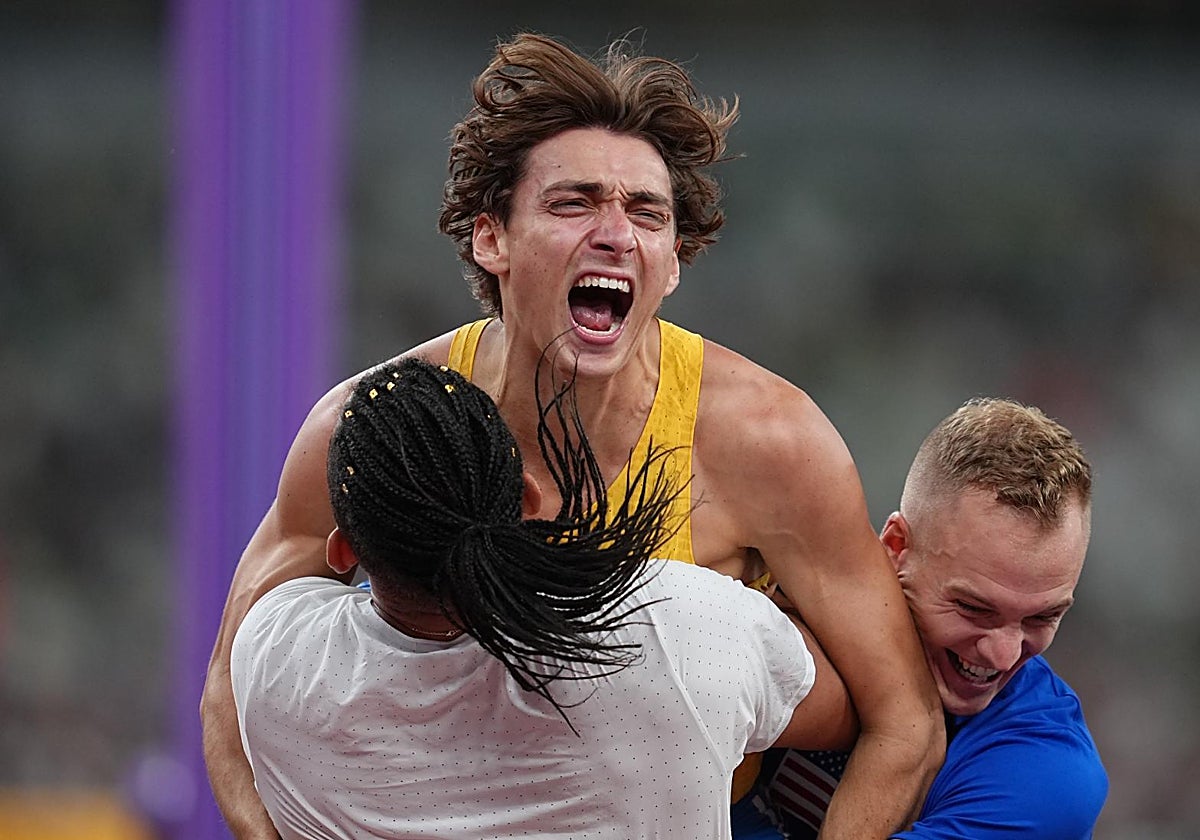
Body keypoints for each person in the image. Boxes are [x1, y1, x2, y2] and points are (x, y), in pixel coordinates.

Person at [201, 32, 943, 840]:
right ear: (493, 238)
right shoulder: (375, 437)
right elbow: (227, 687)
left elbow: (905, 722)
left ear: (672, 262)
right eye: (574, 202)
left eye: (647, 214)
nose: (617, 233)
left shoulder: (769, 443)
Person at [229, 356, 859, 839]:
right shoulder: (685, 629)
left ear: (343, 553)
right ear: (530, 498)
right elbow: (840, 707)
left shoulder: (271, 659)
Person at [764, 397, 1109, 839]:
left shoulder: (1047, 778)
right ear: (894, 547)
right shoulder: (775, 592)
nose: (1003, 655)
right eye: (973, 608)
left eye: (1043, 617)